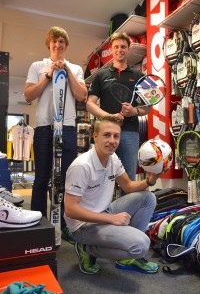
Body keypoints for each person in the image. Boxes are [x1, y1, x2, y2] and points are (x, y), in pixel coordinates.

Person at [64, 116, 165, 275]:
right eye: (107, 135)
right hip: (83, 225)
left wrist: (150, 181)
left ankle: (126, 254)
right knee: (141, 245)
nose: (112, 140)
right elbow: (70, 210)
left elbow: (129, 186)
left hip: (106, 210)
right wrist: (112, 219)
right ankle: (88, 248)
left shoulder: (113, 158)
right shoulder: (81, 166)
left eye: (116, 136)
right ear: (95, 136)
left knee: (148, 197)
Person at [24, 26, 87, 243]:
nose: (58, 45)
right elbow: (28, 95)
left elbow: (81, 96)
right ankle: (37, 224)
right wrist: (48, 76)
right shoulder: (37, 66)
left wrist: (67, 72)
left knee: (67, 179)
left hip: (67, 128)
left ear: (66, 45)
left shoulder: (76, 69)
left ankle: (64, 224)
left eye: (62, 42)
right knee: (41, 177)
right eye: (54, 41)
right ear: (48, 44)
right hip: (44, 128)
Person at [86, 32, 152, 191]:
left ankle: (125, 214)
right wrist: (109, 117)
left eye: (123, 47)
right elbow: (90, 104)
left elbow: (148, 107)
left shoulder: (139, 76)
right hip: (106, 132)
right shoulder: (101, 75)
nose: (119, 50)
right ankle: (103, 213)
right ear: (111, 49)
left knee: (128, 177)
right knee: (101, 175)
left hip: (130, 132)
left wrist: (134, 111)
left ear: (128, 49)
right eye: (116, 47)